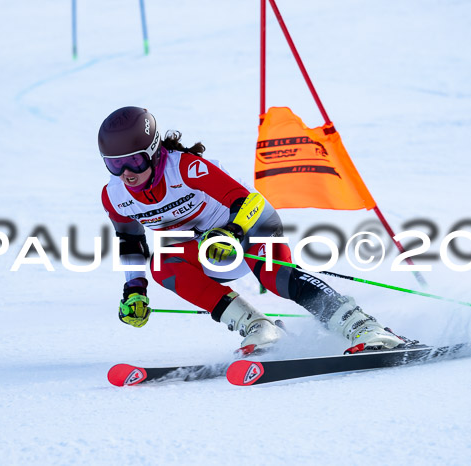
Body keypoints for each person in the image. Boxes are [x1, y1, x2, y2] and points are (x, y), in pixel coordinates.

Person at [99, 106, 404, 355]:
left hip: (251, 226)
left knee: (276, 277)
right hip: (210, 248)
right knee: (162, 264)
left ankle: (363, 326)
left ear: (153, 151)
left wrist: (231, 231)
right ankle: (260, 328)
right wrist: (134, 290)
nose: (127, 173)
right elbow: (130, 241)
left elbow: (249, 201)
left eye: (136, 161)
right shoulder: (114, 196)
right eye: (115, 165)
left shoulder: (186, 168)